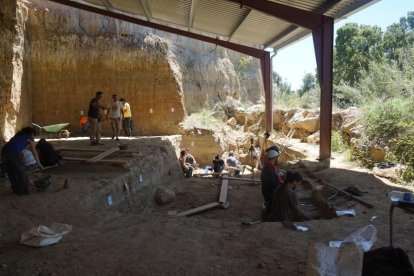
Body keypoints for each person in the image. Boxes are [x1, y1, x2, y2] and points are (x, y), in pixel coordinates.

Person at [1, 127, 42, 195]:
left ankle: (16, 189)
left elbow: (14, 145)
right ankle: (24, 191)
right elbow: (34, 152)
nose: (33, 136)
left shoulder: (17, 136)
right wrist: (39, 164)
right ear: (31, 133)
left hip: (4, 152)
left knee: (11, 172)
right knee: (21, 172)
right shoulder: (29, 137)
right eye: (33, 135)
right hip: (14, 153)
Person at [260, 149, 281, 215]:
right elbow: (273, 183)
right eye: (277, 157)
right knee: (271, 207)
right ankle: (268, 217)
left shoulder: (266, 167)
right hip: (270, 192)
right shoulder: (270, 169)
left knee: (269, 205)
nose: (277, 158)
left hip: (266, 190)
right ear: (274, 158)